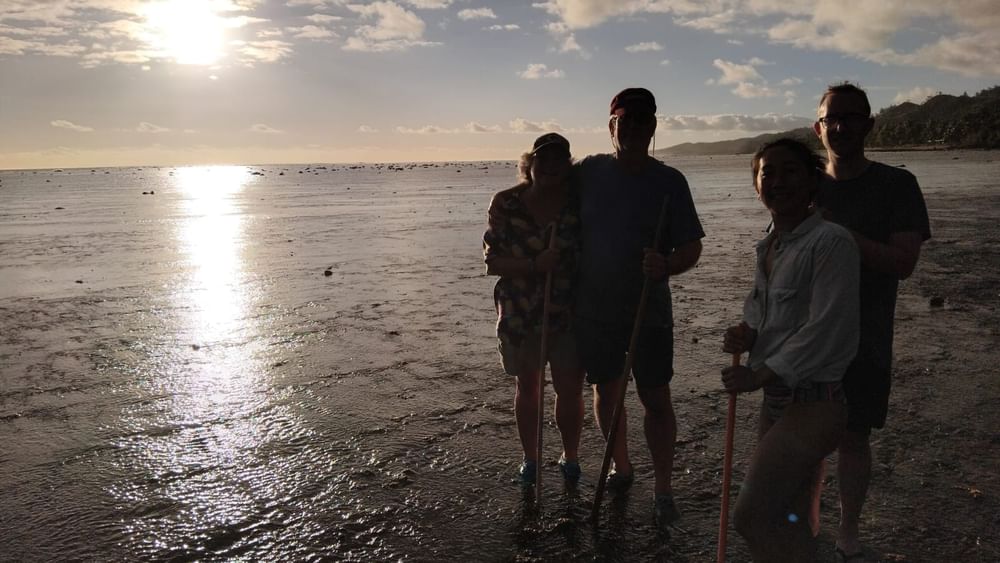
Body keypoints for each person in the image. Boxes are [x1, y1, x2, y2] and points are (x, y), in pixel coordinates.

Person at [722, 138, 860, 562]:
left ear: (813, 180)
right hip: (778, 401)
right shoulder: (770, 245)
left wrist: (758, 374)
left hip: (816, 403)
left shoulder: (830, 241)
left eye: (790, 171)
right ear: (756, 184)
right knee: (790, 516)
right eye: (768, 173)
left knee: (750, 516)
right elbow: (775, 321)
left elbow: (826, 330)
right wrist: (749, 336)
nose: (778, 181)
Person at [574, 87, 704, 529]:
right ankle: (621, 467)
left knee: (655, 397)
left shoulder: (670, 182)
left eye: (641, 122)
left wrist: (667, 264)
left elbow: (691, 247)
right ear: (611, 126)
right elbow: (545, 186)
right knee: (606, 392)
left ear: (653, 128)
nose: (632, 129)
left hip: (649, 310)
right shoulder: (588, 172)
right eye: (624, 121)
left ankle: (663, 487)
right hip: (595, 308)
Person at [813, 82, 932, 562]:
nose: (840, 127)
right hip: (807, 337)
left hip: (866, 334)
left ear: (869, 124)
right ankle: (807, 523)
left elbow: (903, 262)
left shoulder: (896, 185)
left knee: (853, 435)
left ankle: (848, 530)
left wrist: (842, 237)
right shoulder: (804, 183)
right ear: (818, 127)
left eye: (850, 117)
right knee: (806, 435)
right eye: (831, 119)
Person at [483, 132, 586, 486]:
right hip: (519, 312)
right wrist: (534, 264)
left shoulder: (579, 204)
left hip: (568, 310)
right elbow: (493, 260)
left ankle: (570, 457)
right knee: (527, 386)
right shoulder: (506, 203)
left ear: (569, 166)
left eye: (560, 160)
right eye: (544, 159)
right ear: (531, 163)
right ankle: (531, 458)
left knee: (570, 388)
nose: (552, 167)